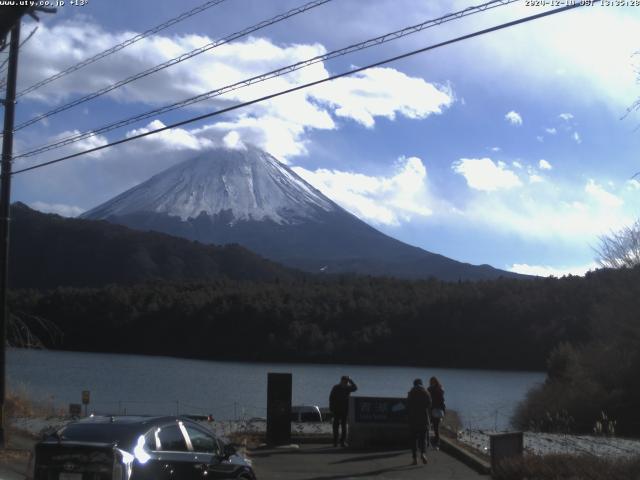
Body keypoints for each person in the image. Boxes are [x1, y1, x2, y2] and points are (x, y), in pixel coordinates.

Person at [407, 378, 431, 465]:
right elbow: (429, 404)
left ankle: (414, 459)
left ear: (414, 384)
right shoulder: (425, 392)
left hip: (413, 419)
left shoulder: (411, 392)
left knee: (413, 439)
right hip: (423, 419)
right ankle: (423, 453)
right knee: (423, 438)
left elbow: (408, 405)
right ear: (421, 383)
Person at [329, 375, 357, 447]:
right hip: (336, 409)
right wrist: (331, 408)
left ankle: (342, 442)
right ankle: (335, 442)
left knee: (344, 426)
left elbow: (355, 388)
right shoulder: (336, 387)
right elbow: (331, 398)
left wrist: (351, 380)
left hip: (345, 409)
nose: (345, 383)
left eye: (347, 382)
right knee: (335, 426)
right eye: (344, 381)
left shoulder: (348, 388)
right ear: (341, 381)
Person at [427, 376, 445, 449]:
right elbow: (442, 401)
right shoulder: (440, 389)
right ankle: (436, 442)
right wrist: (443, 410)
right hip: (438, 410)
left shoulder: (429, 389)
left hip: (432, 410)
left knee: (429, 426)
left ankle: (431, 442)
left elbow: (428, 400)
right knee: (436, 427)